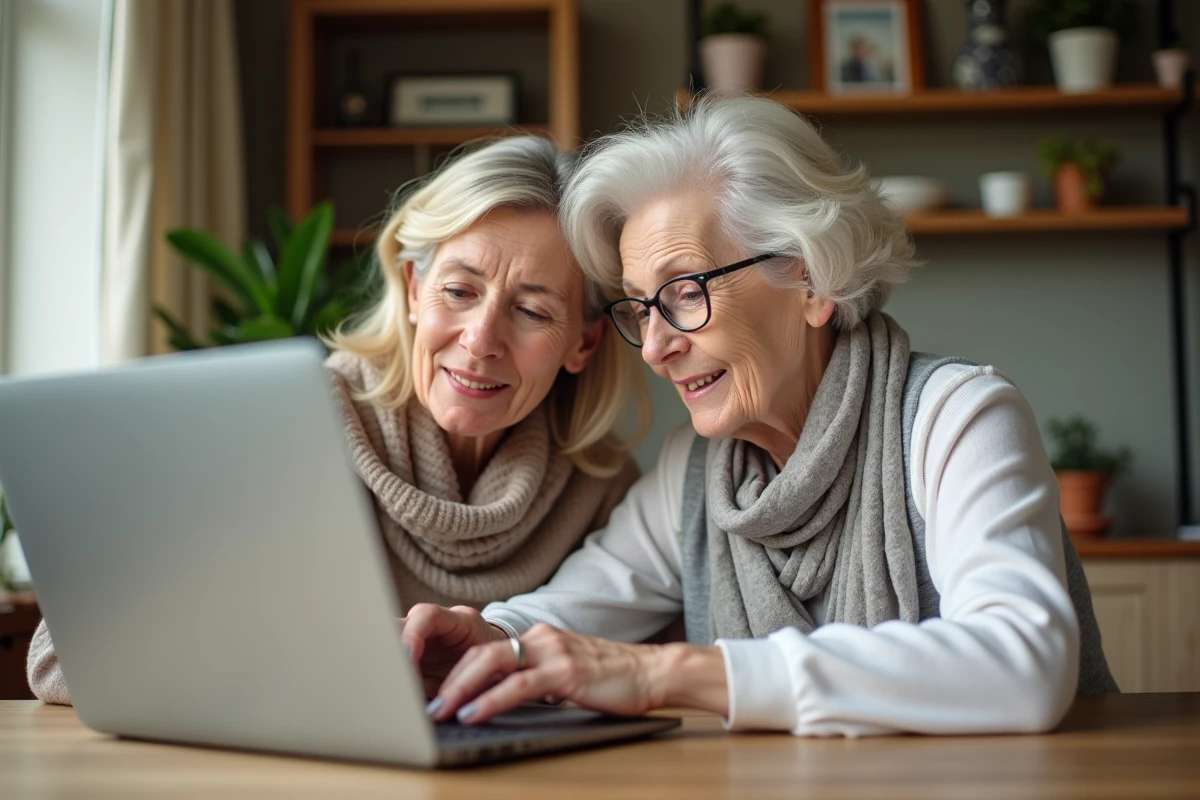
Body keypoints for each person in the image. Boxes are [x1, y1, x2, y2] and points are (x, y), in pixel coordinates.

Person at [403, 96, 1118, 737]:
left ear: (811, 279)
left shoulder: (956, 418)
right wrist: (493, 638)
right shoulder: (696, 472)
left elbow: (1024, 661)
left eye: (685, 293)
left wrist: (666, 674)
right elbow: (578, 605)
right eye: (642, 307)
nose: (654, 346)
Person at [26, 136, 650, 706]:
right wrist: (336, 664)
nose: (481, 339)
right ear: (414, 289)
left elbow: (639, 678)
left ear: (584, 343)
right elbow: (62, 657)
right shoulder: (286, 427)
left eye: (532, 311)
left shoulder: (597, 485)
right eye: (459, 292)